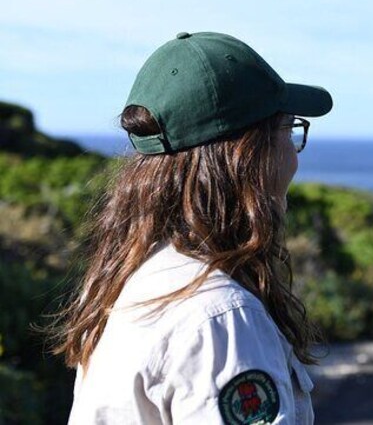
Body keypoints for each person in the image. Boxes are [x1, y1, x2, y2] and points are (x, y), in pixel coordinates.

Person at [53, 32, 332, 424]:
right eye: (287, 130)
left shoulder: (137, 280)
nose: (293, 155)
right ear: (249, 155)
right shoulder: (221, 320)